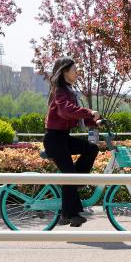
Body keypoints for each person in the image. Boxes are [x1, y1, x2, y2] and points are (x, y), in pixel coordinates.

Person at [44, 57, 102, 227]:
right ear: (64, 71)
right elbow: (66, 111)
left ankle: (75, 183)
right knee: (70, 175)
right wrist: (90, 112)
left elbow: (76, 117)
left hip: (63, 138)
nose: (77, 73)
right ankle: (68, 214)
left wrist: (95, 121)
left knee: (91, 149)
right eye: (74, 70)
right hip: (54, 140)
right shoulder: (59, 91)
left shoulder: (68, 90)